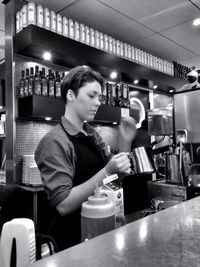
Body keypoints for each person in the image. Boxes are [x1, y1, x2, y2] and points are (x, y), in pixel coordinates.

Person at [35, 65, 132, 251]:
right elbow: (63, 204)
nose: (97, 102)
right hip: (70, 240)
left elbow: (114, 177)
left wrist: (125, 143)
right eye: (91, 95)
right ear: (71, 95)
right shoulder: (54, 141)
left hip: (100, 228)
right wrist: (107, 171)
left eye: (99, 98)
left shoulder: (92, 134)